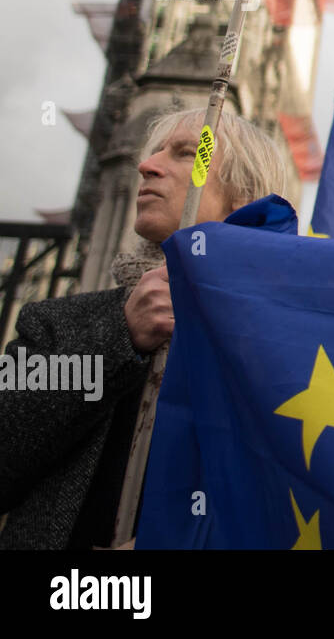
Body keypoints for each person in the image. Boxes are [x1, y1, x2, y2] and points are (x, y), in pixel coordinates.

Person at [0, 108, 288, 549]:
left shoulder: (278, 344)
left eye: (186, 153)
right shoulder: (57, 324)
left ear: (245, 196)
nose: (146, 165)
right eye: (152, 153)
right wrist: (119, 338)